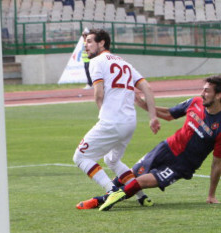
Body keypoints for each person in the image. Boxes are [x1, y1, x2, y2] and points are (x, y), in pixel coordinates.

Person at [87, 75, 221, 212]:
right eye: (203, 90)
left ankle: (101, 200)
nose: (202, 94)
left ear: (218, 95)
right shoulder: (195, 102)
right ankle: (103, 197)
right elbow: (169, 114)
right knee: (132, 174)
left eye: (207, 91)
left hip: (182, 164)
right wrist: (143, 105)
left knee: (141, 182)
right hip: (166, 148)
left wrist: (211, 195)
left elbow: (217, 163)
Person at [73, 29, 160, 210]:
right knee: (112, 160)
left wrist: (103, 114)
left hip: (112, 122)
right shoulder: (124, 63)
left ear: (102, 43)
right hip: (129, 123)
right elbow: (147, 88)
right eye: (85, 42)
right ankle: (141, 196)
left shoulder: (96, 61)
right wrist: (152, 117)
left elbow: (98, 94)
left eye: (89, 42)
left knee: (81, 157)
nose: (86, 46)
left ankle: (112, 190)